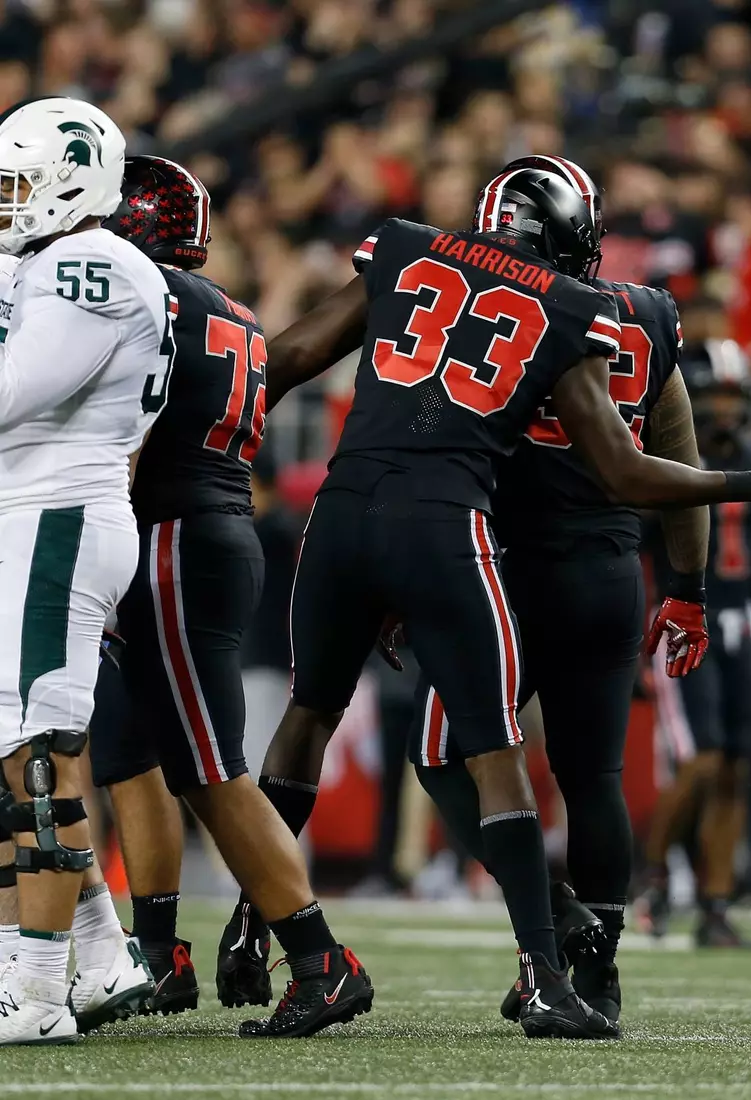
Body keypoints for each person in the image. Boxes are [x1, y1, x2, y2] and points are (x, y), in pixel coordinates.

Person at [219, 165, 751, 1040]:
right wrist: (716, 552)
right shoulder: (614, 312)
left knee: (391, 737)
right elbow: (643, 466)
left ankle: (271, 925)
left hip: (423, 532)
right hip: (559, 560)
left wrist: (217, 458)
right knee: (581, 776)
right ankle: (583, 967)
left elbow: (285, 357)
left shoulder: (408, 251)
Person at [405, 153, 709, 1029]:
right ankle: (601, 974)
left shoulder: (481, 307)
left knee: (442, 753)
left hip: (502, 568)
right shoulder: (647, 315)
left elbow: (424, 440)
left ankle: (558, 925)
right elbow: (679, 464)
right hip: (612, 571)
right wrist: (685, 586)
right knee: (594, 776)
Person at [88, 155, 373, 1030]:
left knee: (210, 769)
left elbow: (119, 428)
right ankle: (161, 950)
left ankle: (322, 955)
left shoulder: (137, 297)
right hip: (189, 532)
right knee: (127, 755)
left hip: (173, 533)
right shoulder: (231, 311)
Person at [0, 97, 169, 1044]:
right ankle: (99, 962)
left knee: (38, 757)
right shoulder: (54, 262)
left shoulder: (87, 260)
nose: (3, 204)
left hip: (57, 516)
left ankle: (35, 993)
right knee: (12, 756)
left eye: (15, 186)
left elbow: (10, 392)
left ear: (69, 182)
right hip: (38, 513)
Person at [638, 342, 751, 947]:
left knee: (734, 770)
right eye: (716, 398)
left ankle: (714, 903)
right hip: (683, 619)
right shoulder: (665, 457)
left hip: (741, 626)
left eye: (735, 398)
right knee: (702, 762)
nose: (727, 412)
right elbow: (638, 554)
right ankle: (653, 878)